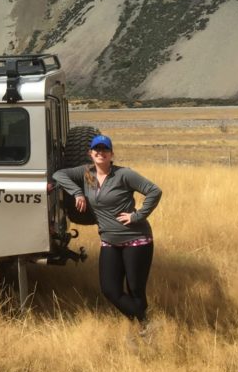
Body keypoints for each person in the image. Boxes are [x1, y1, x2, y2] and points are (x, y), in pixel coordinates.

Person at [53, 134, 162, 335]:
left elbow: (154, 191)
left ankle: (142, 329)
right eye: (97, 149)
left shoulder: (124, 174)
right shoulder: (87, 174)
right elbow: (59, 175)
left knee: (135, 289)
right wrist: (77, 193)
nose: (100, 153)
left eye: (105, 150)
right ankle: (147, 321)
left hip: (136, 239)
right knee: (110, 289)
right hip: (109, 241)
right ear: (90, 153)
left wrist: (137, 216)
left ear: (112, 154)